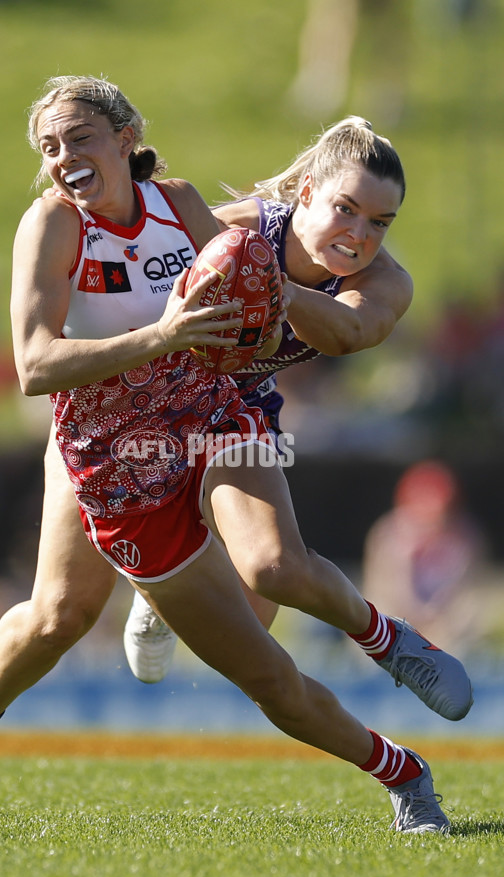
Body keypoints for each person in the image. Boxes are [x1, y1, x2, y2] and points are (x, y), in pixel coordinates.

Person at [0, 75, 469, 833]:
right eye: (50, 146)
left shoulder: (180, 205)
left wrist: (246, 310)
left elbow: (333, 328)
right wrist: (164, 336)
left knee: (274, 569)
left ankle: (395, 698)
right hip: (107, 446)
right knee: (63, 614)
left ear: (127, 138)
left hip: (216, 413)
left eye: (79, 138)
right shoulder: (52, 224)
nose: (63, 158)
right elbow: (32, 368)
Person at [121, 116, 427, 681]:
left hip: (243, 406)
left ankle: (171, 585)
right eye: (346, 208)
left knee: (260, 598)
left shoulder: (385, 281)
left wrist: (270, 287)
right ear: (307, 192)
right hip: (155, 395)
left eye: (379, 222)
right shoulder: (234, 233)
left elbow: (348, 334)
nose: (360, 234)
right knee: (60, 610)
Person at [362, 459, 488, 656]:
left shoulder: (466, 535)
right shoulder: (387, 534)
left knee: (466, 617)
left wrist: (437, 615)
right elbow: (384, 590)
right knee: (374, 619)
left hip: (442, 619)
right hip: (397, 615)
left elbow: (466, 590)